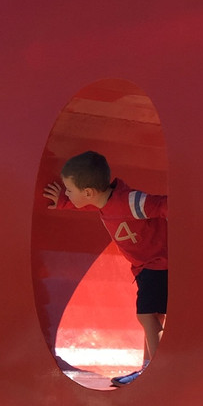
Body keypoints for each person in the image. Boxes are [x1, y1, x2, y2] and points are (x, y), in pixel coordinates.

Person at [43, 150, 167, 386]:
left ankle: (161, 370)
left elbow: (161, 205)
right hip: (145, 268)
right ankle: (149, 368)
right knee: (153, 316)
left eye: (69, 190)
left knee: (146, 315)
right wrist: (63, 202)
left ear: (88, 191)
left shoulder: (129, 201)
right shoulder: (106, 202)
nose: (67, 192)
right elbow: (87, 205)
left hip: (158, 264)